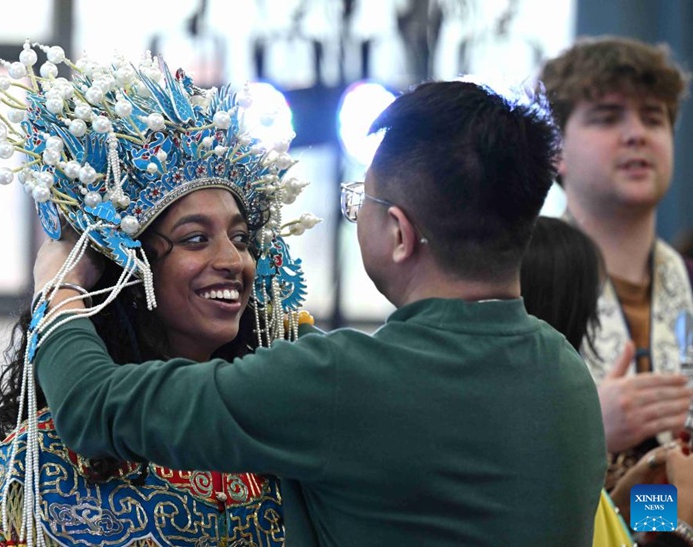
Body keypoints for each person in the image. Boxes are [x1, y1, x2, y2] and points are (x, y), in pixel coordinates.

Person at [31, 80, 607, 545]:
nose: (234, 261)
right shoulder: (567, 374)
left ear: (399, 232)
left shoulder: (340, 381)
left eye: (364, 201)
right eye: (195, 238)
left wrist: (60, 288)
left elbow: (89, 407)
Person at [0, 41, 319, 546]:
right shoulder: (43, 463)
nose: (234, 261)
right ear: (126, 267)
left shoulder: (276, 430)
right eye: (196, 238)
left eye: (240, 239)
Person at [538, 35, 693, 489]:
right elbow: (473, 447)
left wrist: (662, 526)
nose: (637, 133)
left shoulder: (688, 281)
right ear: (556, 152)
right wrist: (587, 425)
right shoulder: (513, 280)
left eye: (654, 118)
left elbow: (655, 505)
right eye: (607, 117)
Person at [520, 216, 693, 547]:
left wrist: (652, 498)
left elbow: (617, 523)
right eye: (590, 318)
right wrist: (684, 522)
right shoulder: (538, 444)